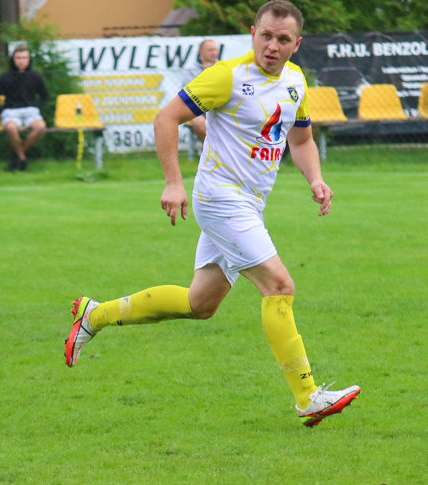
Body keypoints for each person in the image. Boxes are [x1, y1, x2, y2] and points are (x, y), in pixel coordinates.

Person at [65, 0, 360, 428]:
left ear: (297, 44)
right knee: (279, 284)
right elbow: (167, 118)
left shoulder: (295, 81)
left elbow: (301, 140)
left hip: (249, 204)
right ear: (252, 33)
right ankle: (307, 395)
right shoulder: (228, 77)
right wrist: (173, 182)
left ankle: (95, 314)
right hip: (220, 198)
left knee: (199, 304)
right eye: (265, 36)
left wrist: (314, 179)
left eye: (282, 39)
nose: (272, 46)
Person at [0, 44, 48, 172]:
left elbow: (45, 96)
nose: (21, 61)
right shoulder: (5, 77)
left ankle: (18, 156)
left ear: (29, 60)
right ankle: (22, 157)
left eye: (24, 58)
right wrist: (2, 111)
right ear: (13, 59)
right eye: (18, 58)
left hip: (30, 111)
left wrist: (38, 108)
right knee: (11, 128)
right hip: (11, 112)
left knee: (40, 127)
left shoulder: (35, 76)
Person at [186, 39, 219, 143]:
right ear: (201, 53)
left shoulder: (223, 68)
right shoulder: (191, 71)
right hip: (199, 109)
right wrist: (205, 74)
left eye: (215, 50)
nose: (214, 53)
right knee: (198, 121)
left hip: (219, 108)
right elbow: (187, 94)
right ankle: (209, 148)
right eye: (210, 50)